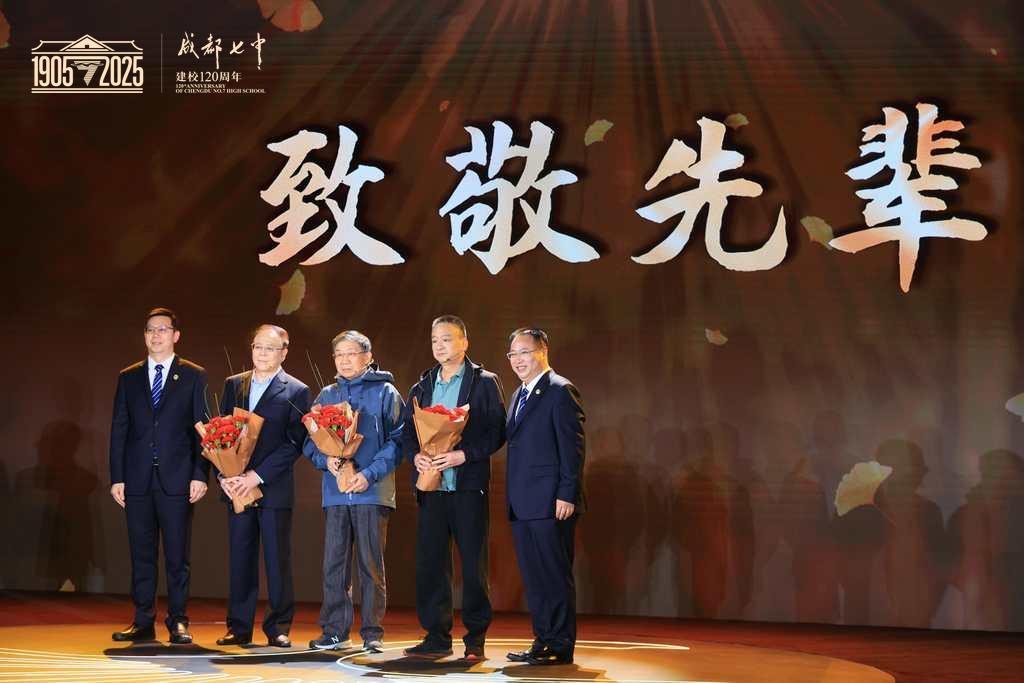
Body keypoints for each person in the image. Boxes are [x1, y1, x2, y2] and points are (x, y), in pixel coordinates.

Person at [400, 316, 506, 661]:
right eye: (434, 340)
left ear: (464, 342)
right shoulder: (422, 385)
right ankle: (436, 636)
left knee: (473, 566)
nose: (439, 345)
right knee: (431, 565)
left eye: (446, 339)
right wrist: (415, 456)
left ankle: (475, 640)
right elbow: (406, 432)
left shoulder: (484, 382)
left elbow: (497, 432)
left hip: (467, 487)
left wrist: (464, 455)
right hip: (431, 488)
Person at [109, 307, 209, 644]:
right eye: (150, 329)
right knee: (141, 554)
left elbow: (202, 430)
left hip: (178, 479)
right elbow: (119, 430)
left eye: (163, 329)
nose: (156, 335)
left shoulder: (193, 375)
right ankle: (142, 620)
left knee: (177, 556)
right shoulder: (129, 377)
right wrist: (117, 477)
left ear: (175, 335)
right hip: (137, 479)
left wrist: (200, 474)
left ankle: (178, 620)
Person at [304, 330, 404, 653]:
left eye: (351, 354)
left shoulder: (386, 392)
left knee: (370, 565)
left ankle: (373, 633)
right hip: (336, 493)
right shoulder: (327, 395)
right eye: (339, 355)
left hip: (371, 491)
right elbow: (310, 441)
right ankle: (335, 631)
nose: (345, 360)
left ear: (368, 357)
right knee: (334, 564)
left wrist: (368, 474)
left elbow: (399, 441)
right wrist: (327, 461)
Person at [215, 324, 310, 648]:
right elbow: (220, 433)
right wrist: (225, 474)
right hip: (236, 486)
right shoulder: (234, 384)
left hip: (272, 488)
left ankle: (278, 626)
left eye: (270, 348)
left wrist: (256, 476)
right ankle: (238, 627)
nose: (262, 353)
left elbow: (294, 443)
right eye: (258, 347)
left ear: (284, 352)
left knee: (276, 560)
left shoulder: (296, 390)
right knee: (240, 558)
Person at [503, 328, 585, 666]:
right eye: (513, 354)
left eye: (524, 352)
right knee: (535, 578)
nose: (518, 360)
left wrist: (567, 493)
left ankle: (560, 645)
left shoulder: (560, 390)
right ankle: (543, 639)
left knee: (553, 575)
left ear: (543, 351)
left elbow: (573, 448)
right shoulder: (518, 394)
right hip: (523, 503)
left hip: (552, 503)